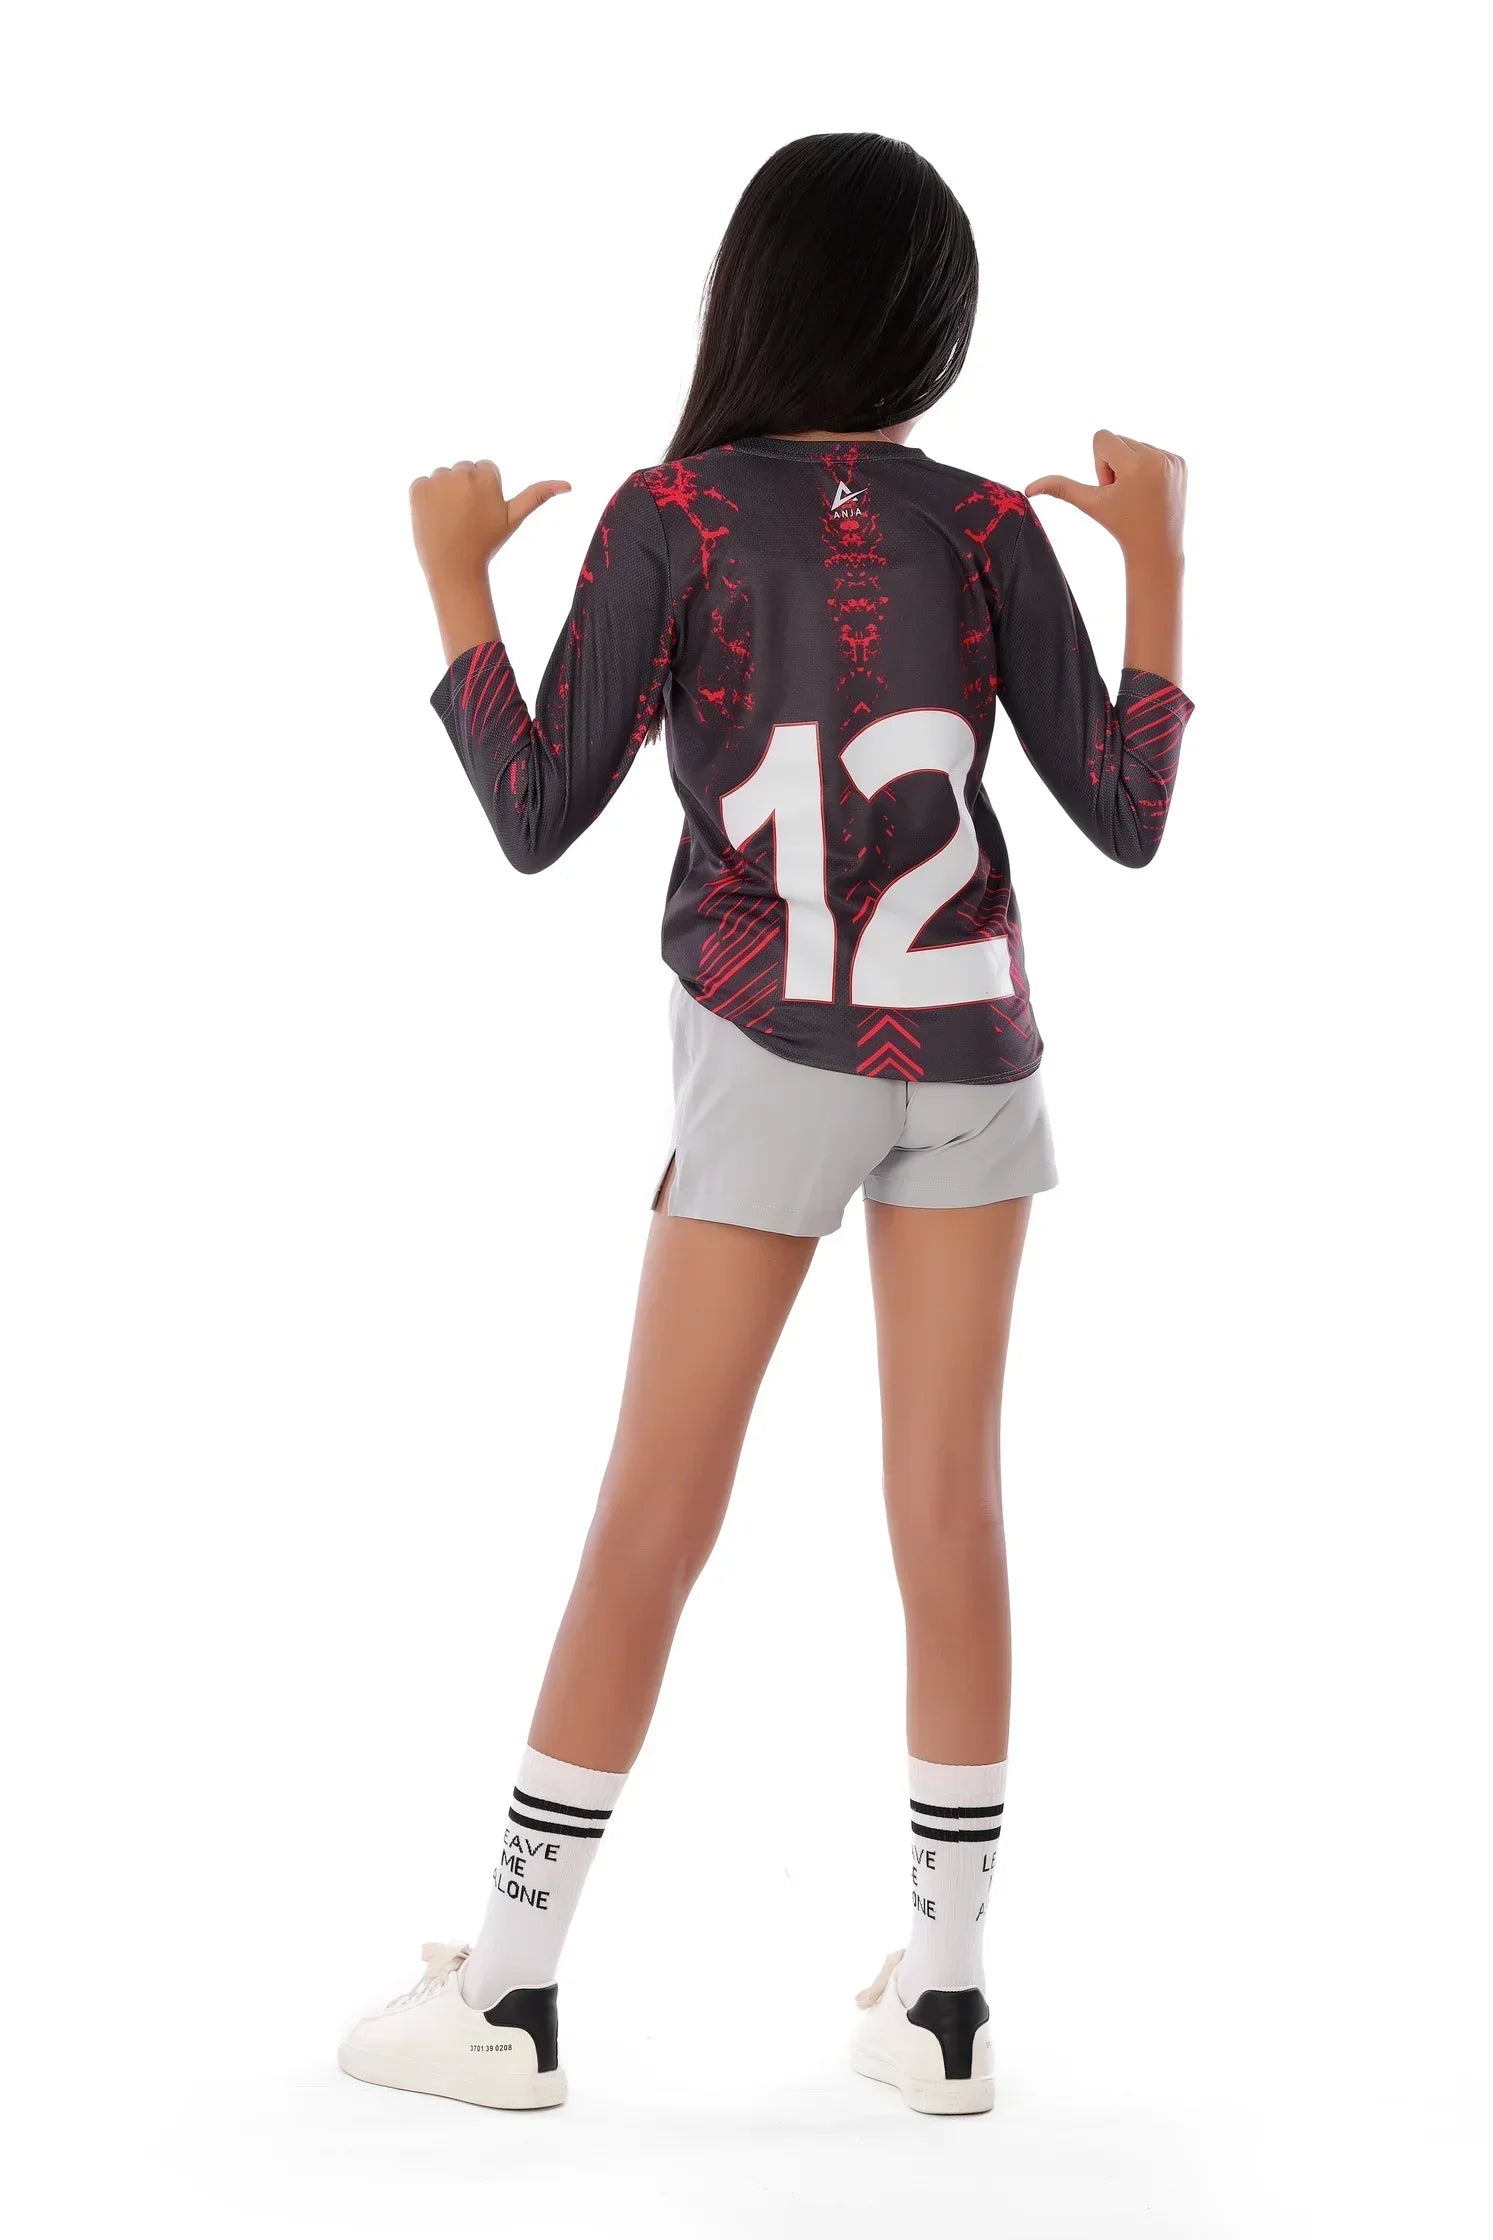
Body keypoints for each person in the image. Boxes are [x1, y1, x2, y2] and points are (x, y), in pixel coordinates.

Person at [337, 130, 1191, 2118]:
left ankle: (511, 1995)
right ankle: (949, 2008)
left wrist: (456, 587)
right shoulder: (990, 526)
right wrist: (1161, 563)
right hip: (972, 1048)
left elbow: (536, 809)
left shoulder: (677, 515)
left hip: (769, 1038)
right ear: (932, 321)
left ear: (755, 294)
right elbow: (1128, 812)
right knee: (952, 1511)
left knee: (655, 1510)